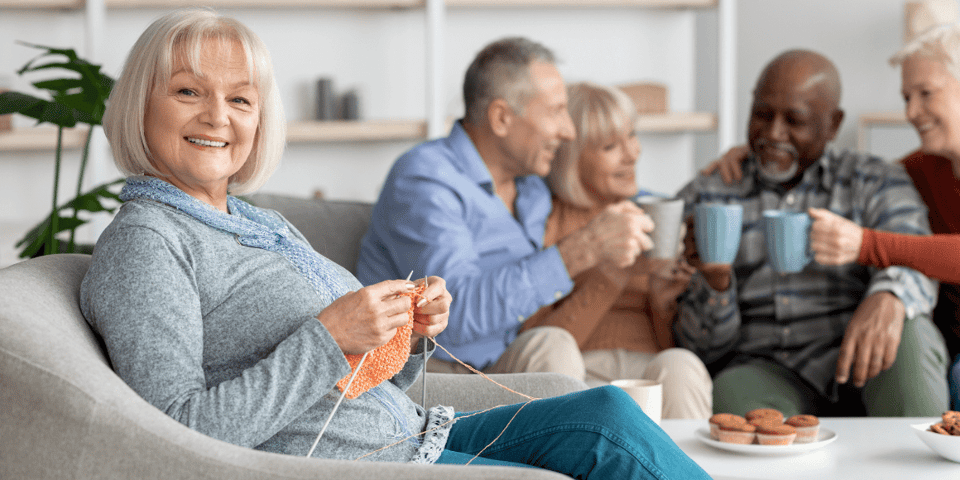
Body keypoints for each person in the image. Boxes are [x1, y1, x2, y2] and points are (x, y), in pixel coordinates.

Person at [79, 9, 710, 478]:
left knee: (607, 416)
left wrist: (408, 337)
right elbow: (171, 439)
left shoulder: (255, 221)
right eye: (189, 91)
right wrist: (329, 338)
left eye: (241, 99)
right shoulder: (147, 245)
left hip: (412, 431)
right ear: (139, 104)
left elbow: (358, 382)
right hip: (373, 461)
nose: (219, 116)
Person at [356, 38, 655, 378]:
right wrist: (583, 249)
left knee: (661, 371)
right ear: (501, 118)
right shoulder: (424, 181)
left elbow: (603, 187)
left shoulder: (531, 182)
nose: (568, 131)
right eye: (557, 112)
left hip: (511, 361)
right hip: (440, 370)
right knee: (552, 347)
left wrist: (705, 189)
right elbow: (452, 317)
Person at [675, 48, 948, 417]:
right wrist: (716, 285)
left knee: (910, 332)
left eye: (794, 120)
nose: (773, 133)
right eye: (762, 114)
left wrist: (890, 296)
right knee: (730, 390)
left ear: (833, 125)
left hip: (863, 361)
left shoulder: (873, 179)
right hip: (764, 369)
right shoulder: (710, 193)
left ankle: (918, 475)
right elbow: (701, 348)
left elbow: (916, 253)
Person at [517, 81, 711, 419]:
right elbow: (535, 338)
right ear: (572, 158)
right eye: (611, 146)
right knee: (552, 347)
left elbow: (667, 344)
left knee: (682, 364)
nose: (633, 153)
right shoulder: (545, 220)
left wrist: (662, 305)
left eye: (632, 136)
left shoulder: (653, 213)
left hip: (648, 366)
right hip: (578, 367)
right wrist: (615, 273)